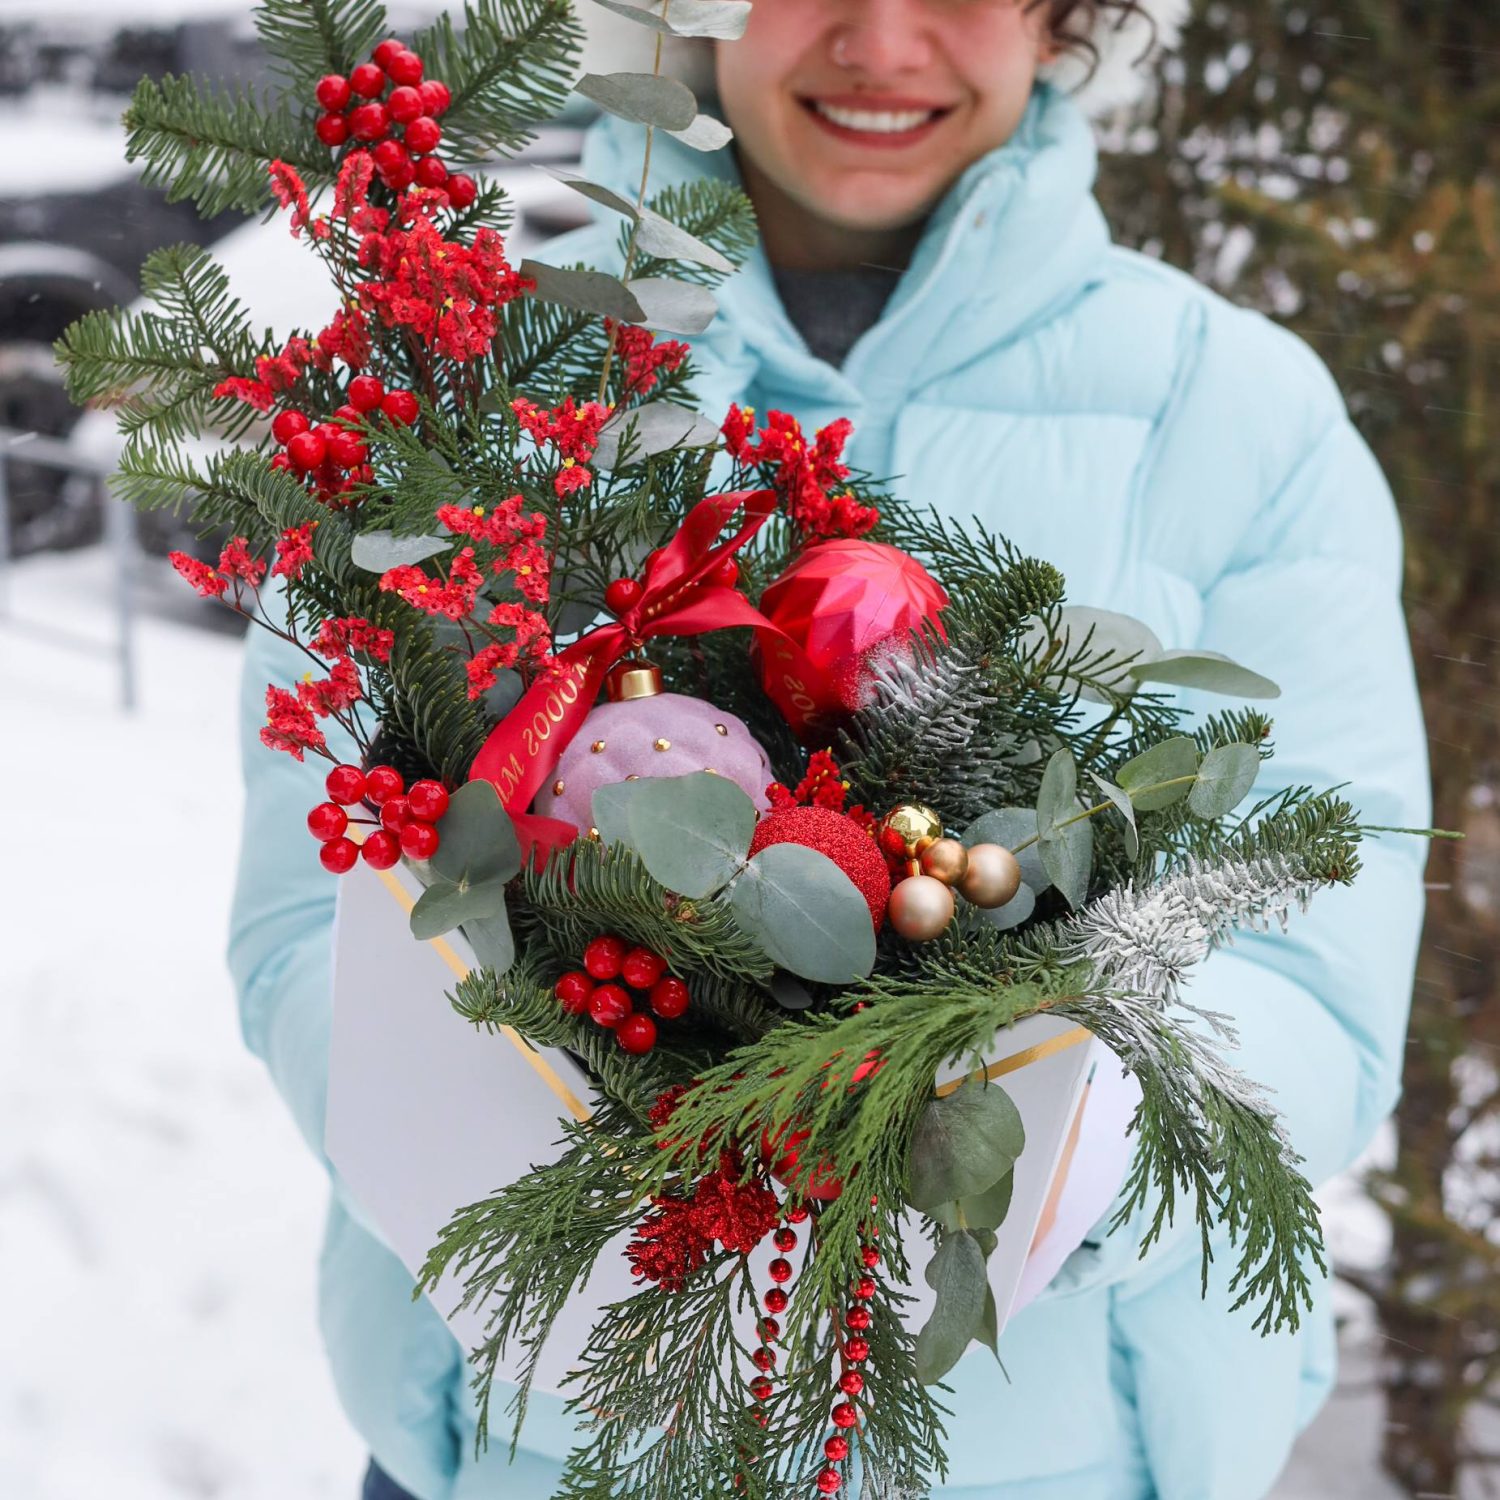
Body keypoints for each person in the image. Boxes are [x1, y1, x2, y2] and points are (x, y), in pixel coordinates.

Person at [229, 1, 1432, 1497]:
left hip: (1058, 1459)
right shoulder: (485, 386)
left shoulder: (1238, 419)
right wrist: (529, 1162)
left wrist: (1040, 1169)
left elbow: (1314, 951)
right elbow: (316, 913)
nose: (882, 38)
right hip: (531, 1449)